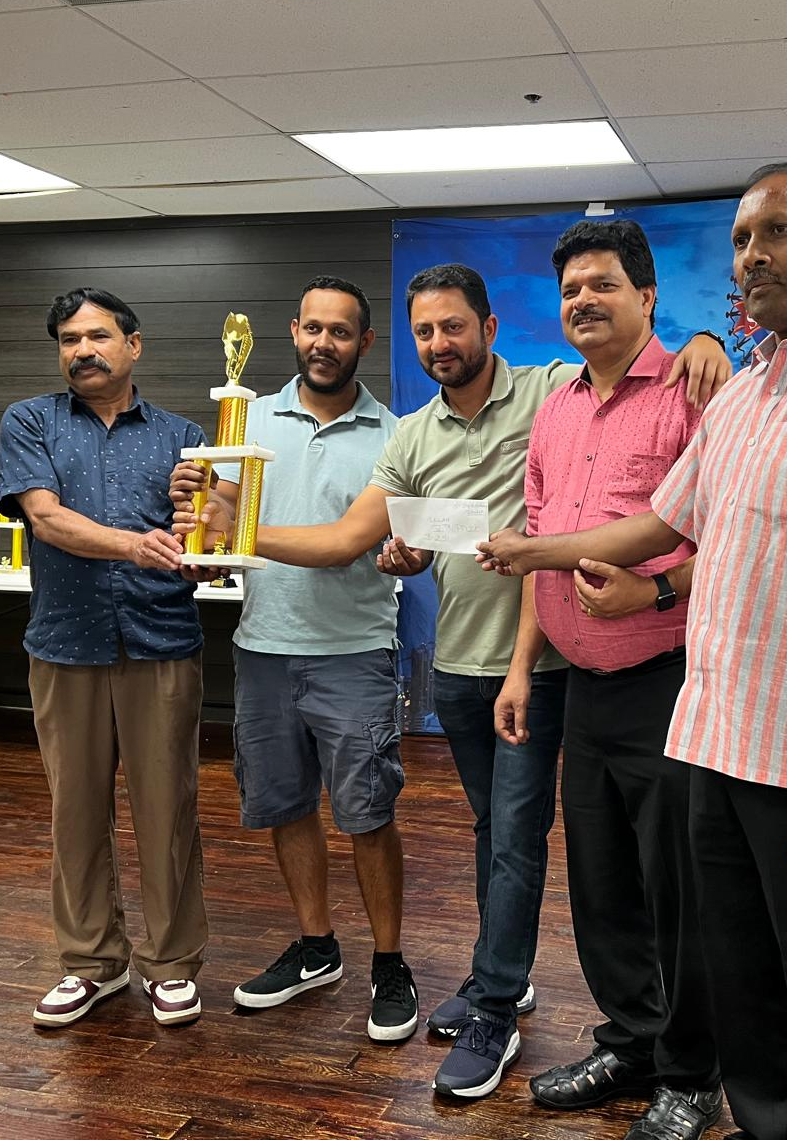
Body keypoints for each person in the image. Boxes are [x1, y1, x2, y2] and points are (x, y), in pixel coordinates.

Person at [478, 162, 787, 1140]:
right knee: (745, 995)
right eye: (742, 240)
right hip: (711, 753)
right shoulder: (744, 398)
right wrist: (534, 550)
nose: (754, 255)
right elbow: (660, 525)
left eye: (779, 232)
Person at [171, 265, 729, 1099]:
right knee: (492, 831)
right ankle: (499, 973)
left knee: (516, 839)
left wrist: (703, 342)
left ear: (490, 328)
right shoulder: (413, 435)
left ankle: (496, 1005)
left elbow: (619, 360)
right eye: (425, 331)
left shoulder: (547, 392)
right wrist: (401, 553)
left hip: (537, 666)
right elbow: (359, 540)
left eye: (454, 327)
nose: (440, 343)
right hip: (459, 666)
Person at [171, 276, 419, 1044]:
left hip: (354, 653)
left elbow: (344, 543)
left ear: (364, 342)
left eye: (340, 331)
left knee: (367, 815)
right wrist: (198, 520)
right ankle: (317, 947)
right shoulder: (246, 423)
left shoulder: (396, 436)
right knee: (285, 808)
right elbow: (214, 526)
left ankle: (389, 963)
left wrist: (236, 530)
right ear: (293, 331)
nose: (324, 343)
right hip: (264, 651)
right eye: (313, 328)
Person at [520, 220, 721, 1140]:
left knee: (677, 890)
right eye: (570, 290)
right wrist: (522, 666)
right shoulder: (557, 408)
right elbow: (539, 548)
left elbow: (738, 537)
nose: (583, 302)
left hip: (670, 683)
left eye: (602, 284)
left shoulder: (692, 391)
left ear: (646, 296)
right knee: (601, 885)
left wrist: (656, 589)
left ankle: (693, 1074)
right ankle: (633, 1042)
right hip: (582, 687)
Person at [0, 287, 209, 1030]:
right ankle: (92, 962)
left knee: (167, 810)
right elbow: (45, 517)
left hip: (161, 643)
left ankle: (172, 963)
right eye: (68, 340)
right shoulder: (30, 421)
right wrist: (134, 545)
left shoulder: (185, 435)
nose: (82, 351)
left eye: (97, 336)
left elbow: (200, 533)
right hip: (66, 645)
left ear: (133, 345)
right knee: (75, 812)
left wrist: (205, 544)